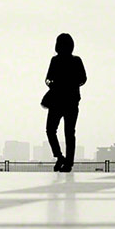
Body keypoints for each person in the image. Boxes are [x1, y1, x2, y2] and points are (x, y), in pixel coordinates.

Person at [43, 33, 86, 172]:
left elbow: (48, 78)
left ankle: (60, 157)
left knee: (51, 130)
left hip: (56, 100)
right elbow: (83, 79)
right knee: (69, 133)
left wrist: (55, 85)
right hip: (72, 101)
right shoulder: (76, 61)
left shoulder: (54, 61)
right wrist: (72, 84)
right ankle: (68, 162)